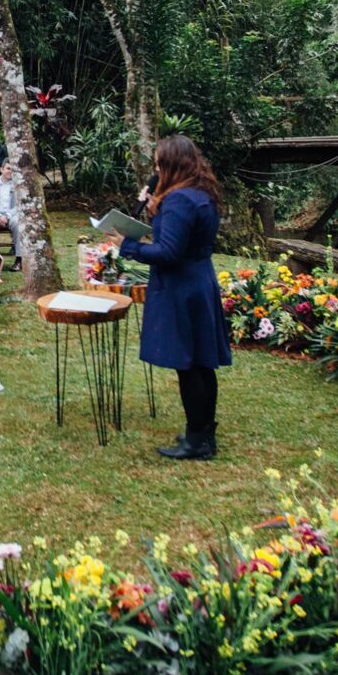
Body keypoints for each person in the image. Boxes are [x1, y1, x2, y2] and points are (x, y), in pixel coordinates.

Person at [119, 135, 231, 461]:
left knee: (189, 365)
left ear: (171, 165)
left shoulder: (180, 200)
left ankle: (197, 441)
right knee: (201, 362)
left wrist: (128, 245)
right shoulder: (200, 194)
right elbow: (180, 237)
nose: (155, 169)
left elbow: (168, 251)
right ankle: (203, 432)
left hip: (182, 288)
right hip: (200, 280)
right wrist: (155, 209)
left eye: (158, 164)